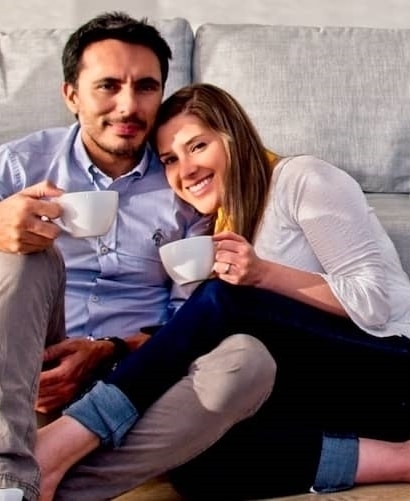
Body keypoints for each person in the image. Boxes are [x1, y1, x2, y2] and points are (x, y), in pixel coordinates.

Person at [36, 83, 410, 499]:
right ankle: (407, 460)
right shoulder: (224, 227)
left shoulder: (302, 179)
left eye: (197, 145)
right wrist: (109, 349)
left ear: (232, 137)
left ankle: (68, 438)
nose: (185, 169)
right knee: (194, 457)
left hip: (397, 374)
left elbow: (371, 302)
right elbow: (193, 339)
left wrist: (262, 275)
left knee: (224, 299)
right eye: (170, 159)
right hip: (315, 393)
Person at [0, 13, 275, 501]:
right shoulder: (21, 164)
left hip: (131, 379)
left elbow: (189, 321)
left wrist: (109, 350)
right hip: (20, 374)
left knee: (249, 363)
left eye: (146, 87)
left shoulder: (186, 184)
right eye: (107, 86)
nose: (128, 106)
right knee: (27, 257)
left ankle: (26, 480)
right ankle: (14, 469)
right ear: (71, 95)